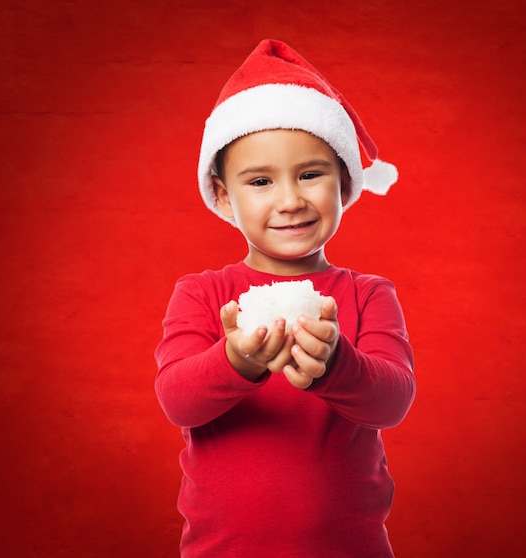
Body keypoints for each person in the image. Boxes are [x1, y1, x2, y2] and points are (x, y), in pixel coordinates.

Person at [154, 39, 416, 558]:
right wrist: (236, 360)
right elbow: (176, 399)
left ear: (345, 182)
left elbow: (393, 401)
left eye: (310, 174)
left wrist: (335, 363)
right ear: (225, 196)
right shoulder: (202, 294)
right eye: (260, 181)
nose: (291, 200)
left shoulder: (368, 295)